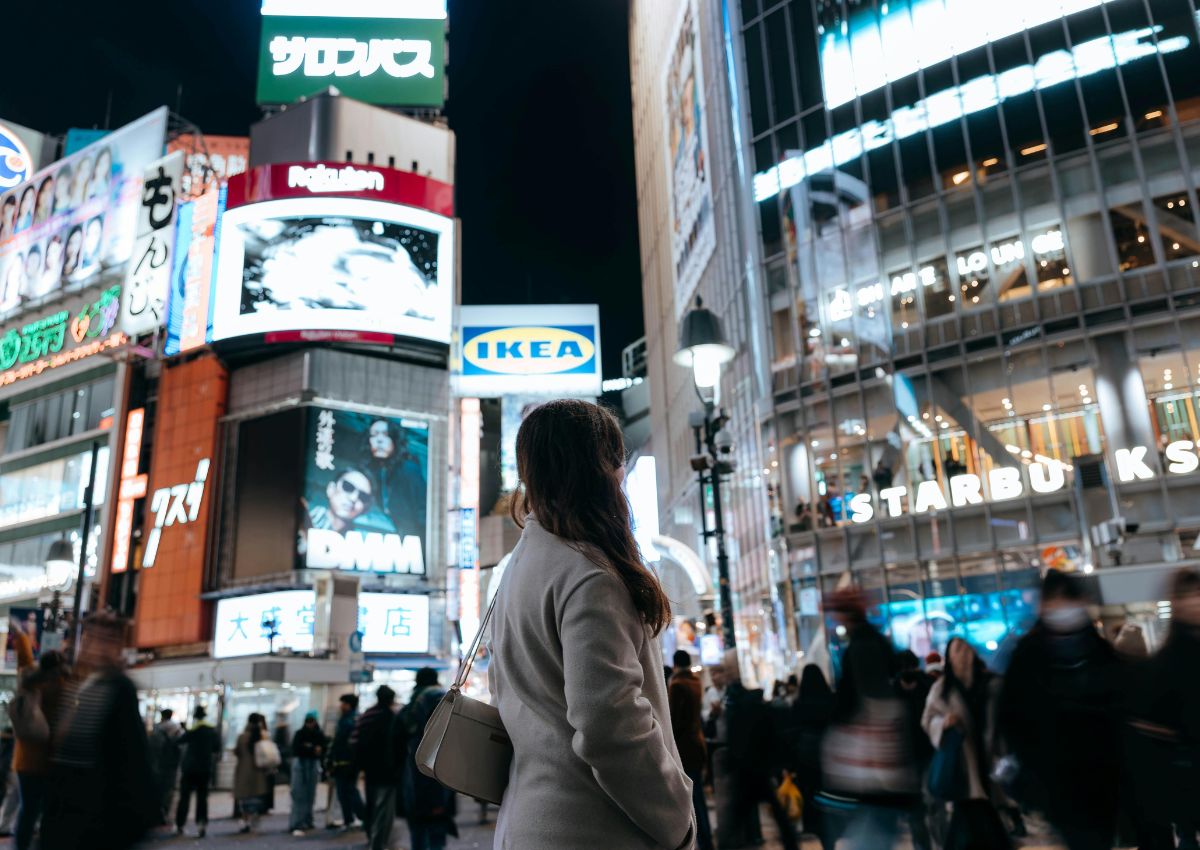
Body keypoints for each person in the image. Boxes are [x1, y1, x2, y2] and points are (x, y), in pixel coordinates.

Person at [490, 399, 695, 849]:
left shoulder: (521, 567)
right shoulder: (589, 575)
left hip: (528, 820)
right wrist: (676, 820)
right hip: (594, 827)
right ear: (604, 468)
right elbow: (610, 722)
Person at [998, 570, 1122, 850]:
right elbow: (1013, 718)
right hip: (1058, 782)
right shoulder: (1028, 656)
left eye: (1068, 599)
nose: (1062, 608)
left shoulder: (1100, 652)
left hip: (1102, 778)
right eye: (1055, 601)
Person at [40, 613, 156, 850]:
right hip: (67, 818)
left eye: (108, 640)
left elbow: (133, 757)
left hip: (102, 821)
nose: (98, 647)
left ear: (118, 647)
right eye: (93, 639)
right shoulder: (76, 684)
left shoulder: (120, 689)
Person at [823, 588, 918, 850]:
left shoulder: (862, 646)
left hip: (873, 766)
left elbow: (869, 701)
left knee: (871, 834)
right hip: (882, 768)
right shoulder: (872, 642)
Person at [922, 637, 1011, 850]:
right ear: (949, 659)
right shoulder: (942, 689)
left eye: (964, 649)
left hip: (990, 757)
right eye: (956, 651)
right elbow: (927, 719)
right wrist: (943, 723)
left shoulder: (991, 683)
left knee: (977, 816)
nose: (961, 654)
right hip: (963, 763)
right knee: (975, 811)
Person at [9, 626, 67, 850]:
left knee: (28, 809)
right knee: (50, 810)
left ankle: (21, 847)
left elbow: (24, 658)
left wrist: (22, 634)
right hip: (50, 758)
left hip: (24, 758)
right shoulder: (60, 686)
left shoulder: (28, 680)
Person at [400, 668, 458, 850]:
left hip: (412, 781)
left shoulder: (410, 706)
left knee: (418, 834)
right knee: (435, 837)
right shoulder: (443, 702)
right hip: (437, 778)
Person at [668, 649, 713, 850]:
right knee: (699, 798)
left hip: (684, 748)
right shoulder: (696, 682)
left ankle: (702, 842)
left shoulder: (677, 685)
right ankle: (707, 840)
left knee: (693, 800)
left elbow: (674, 721)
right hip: (697, 743)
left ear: (675, 664)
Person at [352, 685, 403, 850]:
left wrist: (361, 766)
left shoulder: (368, 714)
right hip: (387, 772)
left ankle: (372, 837)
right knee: (384, 809)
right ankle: (378, 843)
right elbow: (397, 746)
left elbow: (356, 741)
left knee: (371, 804)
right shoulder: (391, 717)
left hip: (370, 770)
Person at [792, 665, 833, 845]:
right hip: (829, 755)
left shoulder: (799, 703)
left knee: (812, 796)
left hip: (807, 757)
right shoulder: (831, 700)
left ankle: (821, 834)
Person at [175, 705, 220, 838]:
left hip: (189, 768)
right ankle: (201, 824)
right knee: (202, 797)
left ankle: (180, 824)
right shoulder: (211, 730)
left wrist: (184, 729)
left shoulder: (192, 730)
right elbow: (216, 748)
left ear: (195, 716)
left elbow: (179, 740)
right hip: (204, 768)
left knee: (184, 797)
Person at [328, 694, 366, 830]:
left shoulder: (349, 721)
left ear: (349, 705)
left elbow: (341, 742)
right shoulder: (352, 719)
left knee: (347, 791)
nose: (341, 706)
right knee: (346, 791)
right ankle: (350, 819)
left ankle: (361, 818)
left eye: (343, 703)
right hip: (347, 761)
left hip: (346, 761)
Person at [289, 711, 327, 836]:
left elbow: (321, 748)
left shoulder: (315, 734)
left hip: (310, 765)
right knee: (299, 794)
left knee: (309, 795)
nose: (310, 724)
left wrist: (309, 747)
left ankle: (305, 820)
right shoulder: (301, 734)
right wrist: (312, 748)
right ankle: (298, 821)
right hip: (303, 764)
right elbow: (297, 748)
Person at [233, 713, 271, 834]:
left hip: (244, 770)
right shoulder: (263, 736)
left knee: (244, 798)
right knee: (256, 796)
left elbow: (237, 752)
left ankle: (245, 820)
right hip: (258, 772)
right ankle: (255, 816)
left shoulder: (242, 736)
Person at [310, 467, 375, 533]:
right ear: (331, 489)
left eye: (362, 496)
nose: (353, 498)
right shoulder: (305, 517)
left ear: (366, 508)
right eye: (348, 487)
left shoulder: (356, 540)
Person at [149, 708, 183, 825]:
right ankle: (165, 813)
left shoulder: (156, 728)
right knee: (169, 789)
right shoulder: (177, 728)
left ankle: (156, 813)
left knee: (157, 788)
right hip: (171, 764)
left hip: (157, 764)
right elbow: (181, 747)